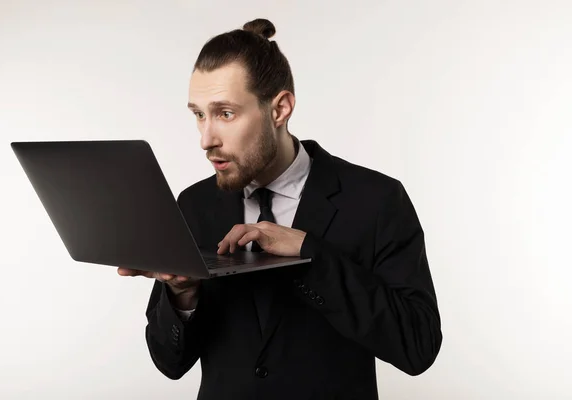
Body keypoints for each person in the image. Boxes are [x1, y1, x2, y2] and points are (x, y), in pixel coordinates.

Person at [118, 18, 442, 400]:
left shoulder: (376, 199)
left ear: (280, 108)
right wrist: (182, 296)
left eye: (225, 113)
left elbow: (418, 347)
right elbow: (169, 362)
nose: (206, 139)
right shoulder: (194, 204)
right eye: (199, 114)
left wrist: (312, 254)